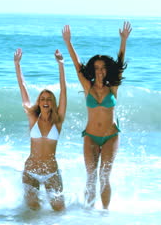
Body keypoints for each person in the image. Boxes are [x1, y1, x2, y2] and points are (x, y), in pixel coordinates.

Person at [62, 21, 132, 209]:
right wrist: (69, 43)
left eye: (103, 68)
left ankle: (105, 214)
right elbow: (77, 66)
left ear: (106, 70)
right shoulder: (88, 88)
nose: (100, 71)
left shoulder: (113, 88)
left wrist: (123, 41)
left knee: (104, 176)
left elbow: (119, 65)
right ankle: (87, 216)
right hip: (90, 137)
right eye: (97, 68)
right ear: (93, 70)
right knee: (91, 178)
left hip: (111, 136)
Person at [14, 48, 67, 211]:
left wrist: (61, 64)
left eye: (49, 99)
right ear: (39, 101)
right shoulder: (33, 119)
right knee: (32, 213)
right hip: (31, 171)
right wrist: (17, 65)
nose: (45, 101)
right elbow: (23, 87)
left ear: (53, 102)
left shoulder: (58, 121)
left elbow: (63, 91)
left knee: (59, 211)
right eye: (42, 99)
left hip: (51, 172)